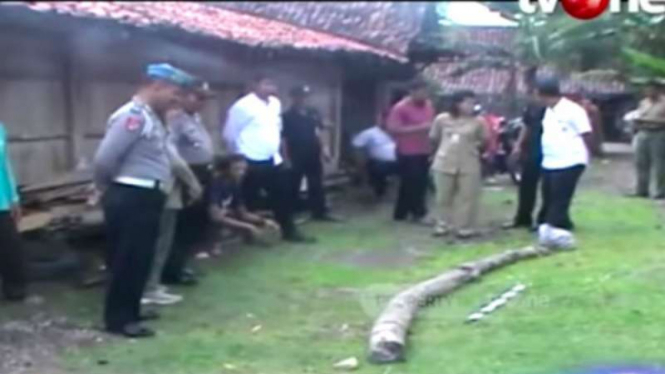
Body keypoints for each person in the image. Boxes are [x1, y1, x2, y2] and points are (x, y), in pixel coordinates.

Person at [93, 63, 195, 338]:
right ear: (156, 85)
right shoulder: (133, 117)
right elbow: (105, 159)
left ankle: (131, 309)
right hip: (131, 195)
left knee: (140, 258)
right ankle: (119, 320)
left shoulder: (152, 117)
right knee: (128, 258)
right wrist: (103, 187)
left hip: (146, 196)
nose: (176, 99)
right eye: (174, 93)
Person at [222, 74, 314, 243]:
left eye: (273, 84)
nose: (271, 88)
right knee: (249, 199)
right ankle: (249, 235)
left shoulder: (275, 104)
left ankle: (288, 230)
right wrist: (238, 158)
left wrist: (280, 152)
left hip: (273, 157)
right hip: (250, 158)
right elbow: (230, 134)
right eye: (266, 84)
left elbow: (277, 129)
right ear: (255, 85)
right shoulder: (242, 106)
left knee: (283, 195)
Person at [142, 107, 203, 306]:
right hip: (164, 192)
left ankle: (152, 283)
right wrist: (193, 183)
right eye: (173, 108)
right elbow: (176, 163)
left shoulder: (161, 131)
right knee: (160, 242)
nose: (177, 114)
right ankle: (149, 288)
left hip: (163, 191)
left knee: (160, 241)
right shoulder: (160, 132)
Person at [161, 79, 215, 286]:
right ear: (182, 96)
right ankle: (173, 270)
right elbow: (171, 152)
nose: (202, 102)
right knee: (181, 225)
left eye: (204, 99)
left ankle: (183, 264)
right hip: (186, 175)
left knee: (195, 224)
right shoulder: (176, 120)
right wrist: (189, 180)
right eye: (198, 97)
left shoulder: (196, 118)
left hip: (202, 172)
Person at [536, 76, 593, 236]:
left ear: (543, 94)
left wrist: (589, 155)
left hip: (570, 159)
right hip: (550, 160)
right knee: (548, 193)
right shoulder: (548, 110)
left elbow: (586, 133)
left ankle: (554, 226)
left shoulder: (573, 110)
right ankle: (558, 222)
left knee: (560, 194)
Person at [429, 90, 488, 239]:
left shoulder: (479, 122)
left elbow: (485, 140)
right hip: (444, 162)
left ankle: (464, 227)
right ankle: (442, 225)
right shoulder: (441, 119)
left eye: (473, 103)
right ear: (457, 103)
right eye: (467, 102)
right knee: (443, 197)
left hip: (469, 162)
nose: (471, 106)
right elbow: (434, 138)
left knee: (467, 197)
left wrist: (475, 147)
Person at [281, 85, 339, 221]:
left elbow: (318, 131)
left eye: (306, 97)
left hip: (313, 151)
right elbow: (284, 138)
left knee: (316, 183)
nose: (303, 100)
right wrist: (286, 157)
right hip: (295, 153)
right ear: (294, 98)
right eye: (300, 96)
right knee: (293, 184)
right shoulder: (287, 116)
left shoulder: (313, 112)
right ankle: (291, 214)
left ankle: (319, 212)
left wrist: (325, 149)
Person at [386, 80, 435, 223]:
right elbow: (393, 129)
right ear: (412, 92)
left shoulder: (429, 106)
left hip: (424, 149)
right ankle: (419, 213)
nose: (425, 95)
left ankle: (400, 214)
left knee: (416, 182)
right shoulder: (400, 108)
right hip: (407, 150)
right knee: (414, 182)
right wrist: (420, 128)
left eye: (426, 92)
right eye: (421, 92)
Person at [208, 154, 280, 243]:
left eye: (243, 169)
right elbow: (216, 217)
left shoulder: (234, 184)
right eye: (236, 169)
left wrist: (264, 222)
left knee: (265, 215)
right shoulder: (216, 185)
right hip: (205, 223)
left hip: (223, 215)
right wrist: (249, 227)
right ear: (225, 169)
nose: (241, 173)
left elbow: (243, 213)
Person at [505, 85, 547, 231]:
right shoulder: (531, 107)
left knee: (547, 187)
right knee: (526, 185)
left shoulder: (552, 109)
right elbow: (526, 126)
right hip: (531, 150)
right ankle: (523, 217)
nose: (533, 96)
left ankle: (543, 220)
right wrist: (518, 145)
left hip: (549, 151)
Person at [0, 122, 27, 302]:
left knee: (11, 246)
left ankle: (14, 289)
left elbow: (5, 165)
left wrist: (14, 198)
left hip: (2, 201)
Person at [351, 110, 398, 199]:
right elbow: (357, 145)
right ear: (381, 120)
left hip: (398, 161)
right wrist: (360, 163)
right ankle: (378, 191)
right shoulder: (370, 133)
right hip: (378, 162)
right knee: (379, 168)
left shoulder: (398, 132)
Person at [632, 79, 665, 199]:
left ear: (659, 90)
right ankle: (641, 189)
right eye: (647, 88)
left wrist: (649, 121)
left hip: (659, 134)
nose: (648, 91)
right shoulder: (644, 102)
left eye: (651, 88)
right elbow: (639, 115)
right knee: (640, 163)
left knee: (659, 164)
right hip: (643, 133)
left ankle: (660, 191)